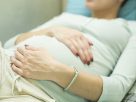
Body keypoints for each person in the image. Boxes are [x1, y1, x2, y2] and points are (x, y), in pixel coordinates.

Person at [1, 0, 136, 102]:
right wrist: (51, 31)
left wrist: (54, 71)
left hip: (37, 93)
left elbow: (118, 89)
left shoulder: (131, 29)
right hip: (6, 63)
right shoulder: (65, 17)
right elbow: (10, 43)